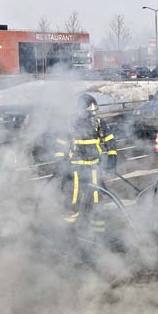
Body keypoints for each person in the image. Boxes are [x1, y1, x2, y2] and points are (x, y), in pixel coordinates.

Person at [53, 94, 111, 231]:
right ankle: (69, 232)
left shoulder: (98, 123)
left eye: (94, 112)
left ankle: (98, 231)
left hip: (94, 167)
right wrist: (59, 162)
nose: (93, 115)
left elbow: (109, 140)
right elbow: (61, 144)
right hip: (76, 169)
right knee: (73, 199)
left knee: (96, 199)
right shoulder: (71, 124)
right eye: (90, 112)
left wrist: (112, 157)